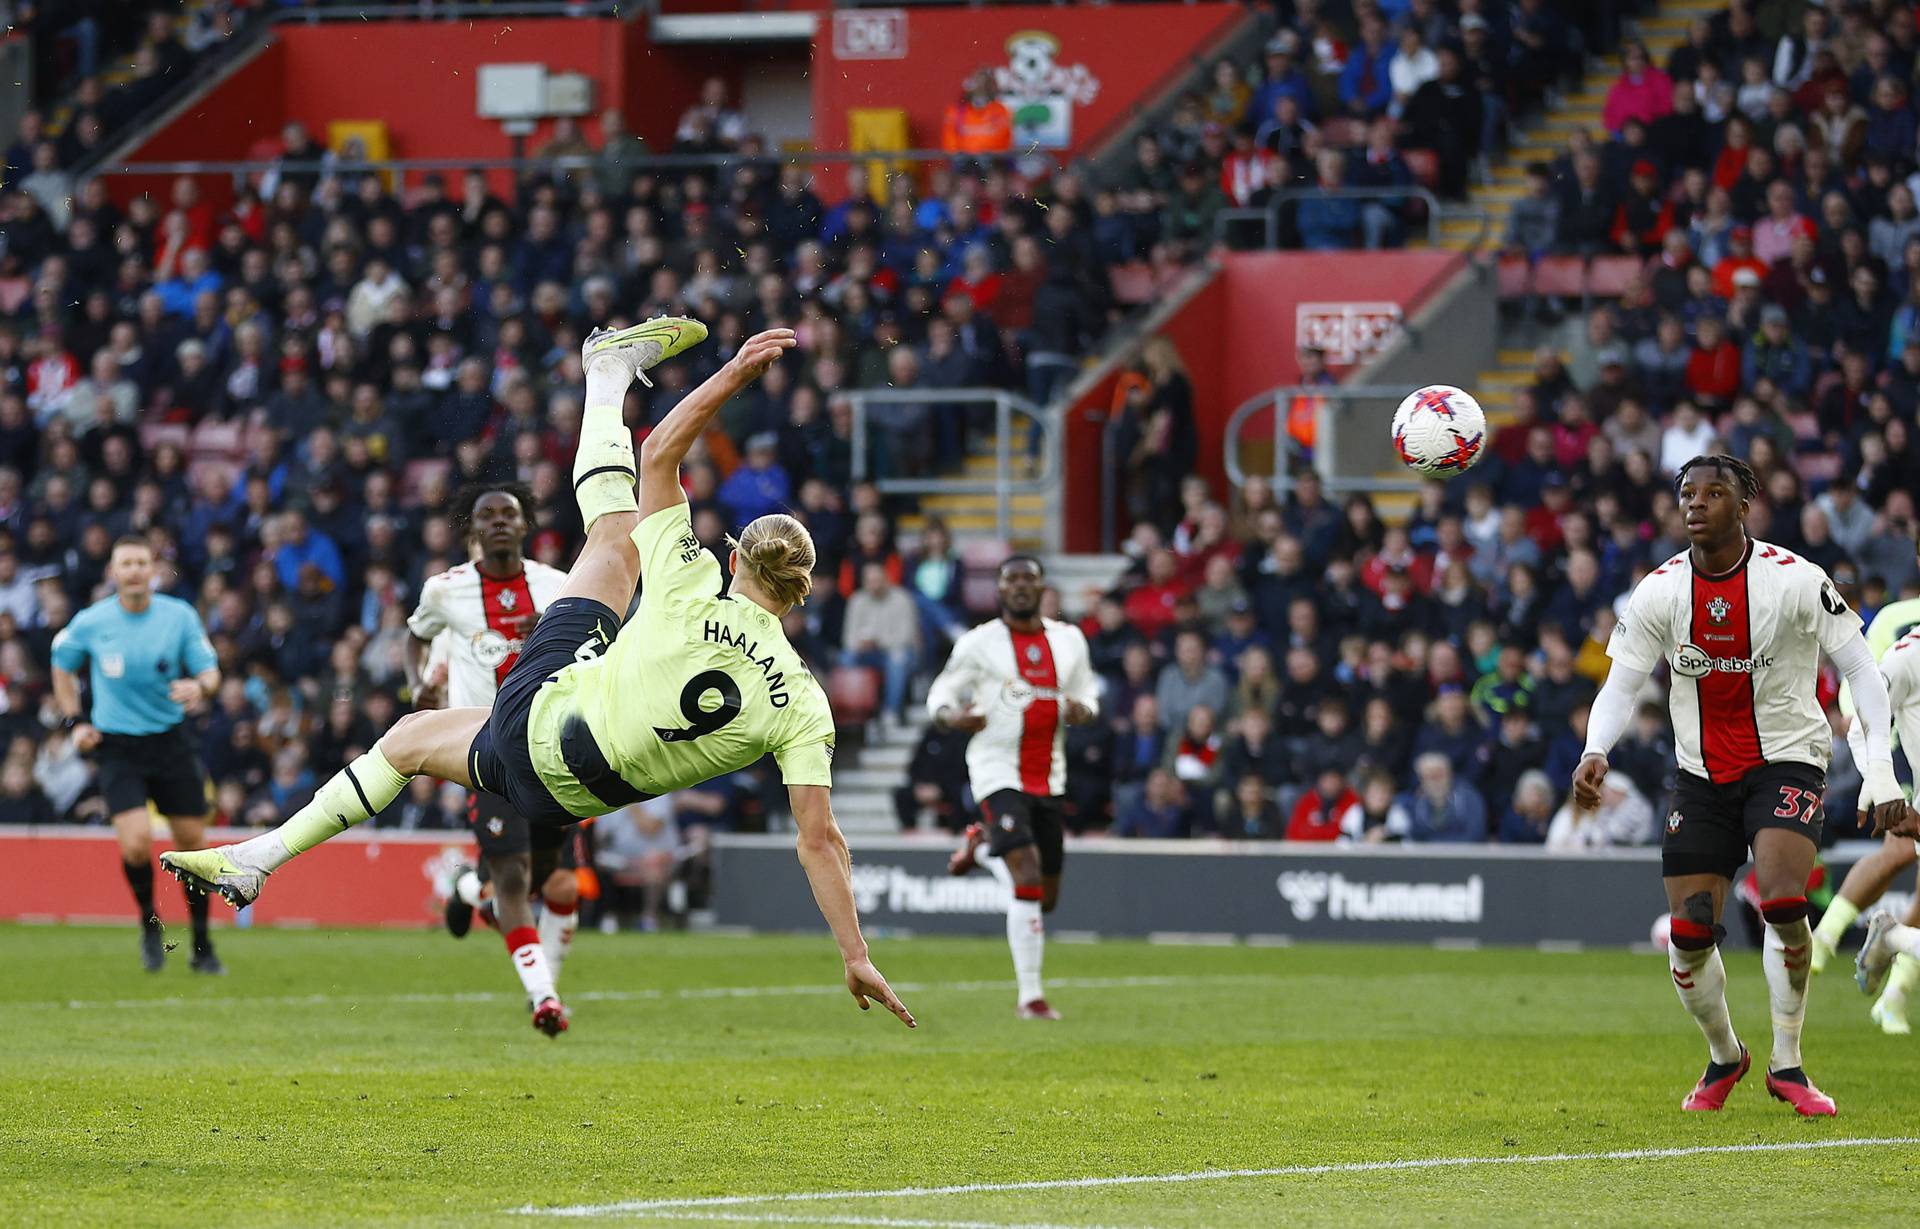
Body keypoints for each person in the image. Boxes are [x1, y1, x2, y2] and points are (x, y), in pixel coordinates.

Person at [163, 318, 915, 1034]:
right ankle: (254, 862)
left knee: (615, 537)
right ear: (806, 589)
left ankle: (606, 370)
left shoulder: (690, 585)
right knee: (416, 737)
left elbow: (658, 456)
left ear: (734, 560)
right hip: (566, 795)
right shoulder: (805, 704)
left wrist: (735, 372)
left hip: (538, 719)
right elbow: (821, 841)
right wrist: (856, 953)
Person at [1572, 455, 1905, 1117]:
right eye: (1687, 493)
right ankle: (1726, 1053)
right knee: (1690, 932)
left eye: (1713, 492)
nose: (1696, 504)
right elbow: (1622, 682)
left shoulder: (1796, 581)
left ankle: (1788, 1062)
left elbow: (1863, 673)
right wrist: (1595, 749)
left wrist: (1880, 771)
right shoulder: (1660, 591)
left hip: (1787, 758)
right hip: (1700, 774)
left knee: (1783, 901)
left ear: (1744, 504)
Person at [405, 481, 583, 1022]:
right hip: (485, 750)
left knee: (552, 879)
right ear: (474, 530)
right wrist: (421, 685)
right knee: (513, 878)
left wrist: (552, 636)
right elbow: (417, 636)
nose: (500, 521)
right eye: (488, 515)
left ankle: (467, 889)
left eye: (510, 513)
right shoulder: (445, 590)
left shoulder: (556, 587)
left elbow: (592, 649)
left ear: (527, 524)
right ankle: (543, 995)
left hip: (549, 745)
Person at [932, 556, 1100, 1020]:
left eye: (1030, 578)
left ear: (1043, 587)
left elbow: (1088, 694)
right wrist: (952, 716)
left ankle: (985, 849)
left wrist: (1084, 709)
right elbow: (942, 691)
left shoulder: (1069, 641)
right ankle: (1032, 997)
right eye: (1012, 580)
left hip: (1050, 775)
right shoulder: (979, 642)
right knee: (1026, 875)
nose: (1021, 586)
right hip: (995, 769)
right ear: (1000, 590)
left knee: (1045, 898)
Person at [51, 536, 222, 974]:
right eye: (124, 563)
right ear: (112, 571)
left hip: (170, 742)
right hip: (118, 747)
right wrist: (75, 722)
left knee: (192, 846)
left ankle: (202, 943)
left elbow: (210, 671)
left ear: (153, 570)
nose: (132, 570)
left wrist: (199, 686)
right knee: (135, 844)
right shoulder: (92, 621)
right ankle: (150, 924)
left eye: (140, 563)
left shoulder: (178, 616)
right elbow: (61, 662)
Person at [1812, 555, 1920, 1034]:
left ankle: (1893, 964)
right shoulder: (1904, 636)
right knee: (1899, 850)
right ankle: (1830, 938)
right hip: (1894, 750)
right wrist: (1882, 785)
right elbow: (1865, 693)